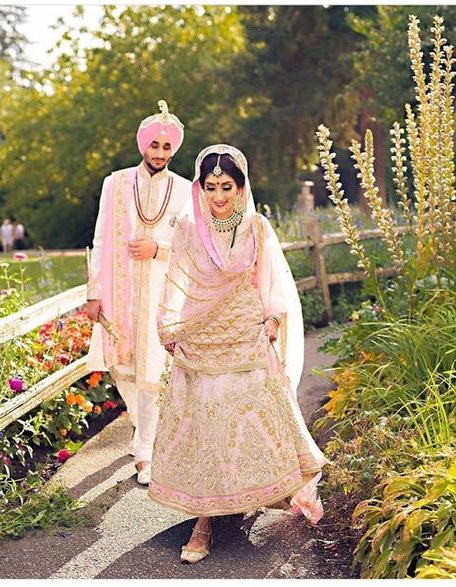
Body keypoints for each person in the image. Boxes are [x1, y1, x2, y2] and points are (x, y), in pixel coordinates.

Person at [148, 145, 328, 563]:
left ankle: (251, 494)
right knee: (206, 421)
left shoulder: (257, 227)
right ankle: (203, 521)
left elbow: (273, 281)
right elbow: (176, 280)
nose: (218, 196)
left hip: (246, 333)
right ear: (201, 187)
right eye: (210, 187)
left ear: (241, 186)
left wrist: (271, 321)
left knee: (246, 417)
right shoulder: (190, 228)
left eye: (226, 186)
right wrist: (169, 326)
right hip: (202, 334)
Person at [85, 100, 192, 484]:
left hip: (162, 291)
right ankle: (141, 429)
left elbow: (193, 244)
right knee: (123, 366)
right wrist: (94, 292)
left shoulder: (185, 190)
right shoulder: (114, 184)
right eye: (154, 146)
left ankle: (145, 449)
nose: (160, 154)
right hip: (120, 289)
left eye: (167, 148)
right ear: (142, 145)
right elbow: (99, 238)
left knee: (152, 369)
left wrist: (157, 249)